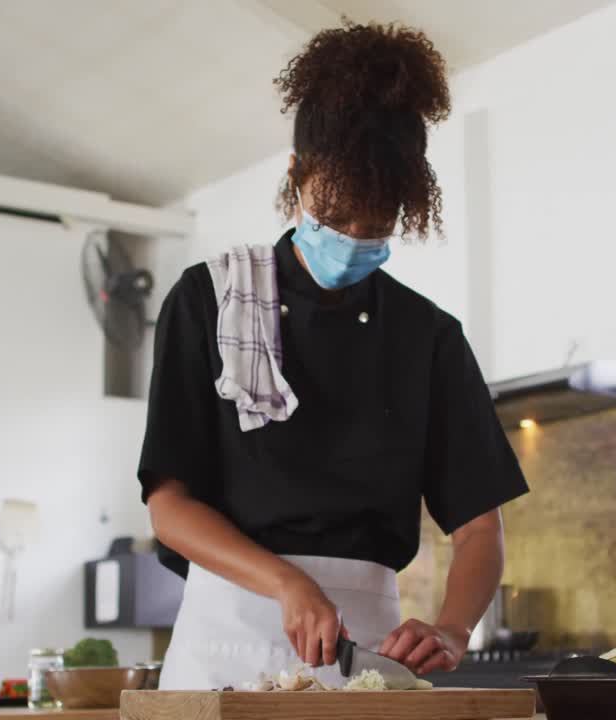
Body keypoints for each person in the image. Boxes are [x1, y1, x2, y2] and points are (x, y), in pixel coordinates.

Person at [138, 20, 527, 691]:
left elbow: (478, 530)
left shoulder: (427, 337)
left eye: (375, 225)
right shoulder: (209, 300)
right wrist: (285, 581)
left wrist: (453, 628)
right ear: (297, 176)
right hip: (223, 648)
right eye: (337, 214)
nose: (351, 238)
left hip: (368, 657)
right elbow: (169, 505)